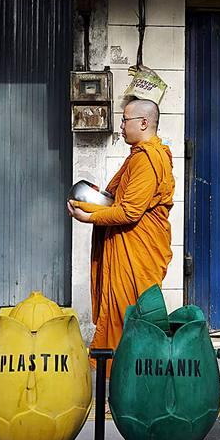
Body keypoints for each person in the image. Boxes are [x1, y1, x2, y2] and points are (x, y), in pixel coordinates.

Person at [67, 98, 175, 376]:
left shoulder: (148, 159)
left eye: (126, 120)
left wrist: (88, 216)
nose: (121, 126)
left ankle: (126, 386)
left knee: (128, 318)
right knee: (122, 317)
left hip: (136, 254)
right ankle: (120, 387)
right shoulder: (138, 156)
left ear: (143, 122)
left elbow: (129, 212)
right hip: (128, 250)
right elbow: (114, 199)